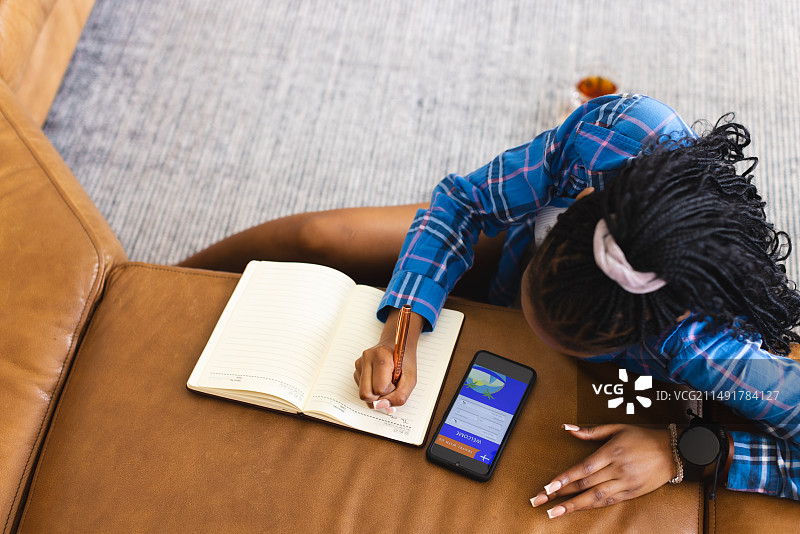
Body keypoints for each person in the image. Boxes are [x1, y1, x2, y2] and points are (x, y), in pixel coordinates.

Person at [180, 94, 800, 516]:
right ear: (580, 204)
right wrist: (404, 322)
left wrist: (684, 451)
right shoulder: (611, 134)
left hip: (632, 388)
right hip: (507, 252)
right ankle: (149, 276)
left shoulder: (706, 349)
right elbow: (463, 203)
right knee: (315, 240)